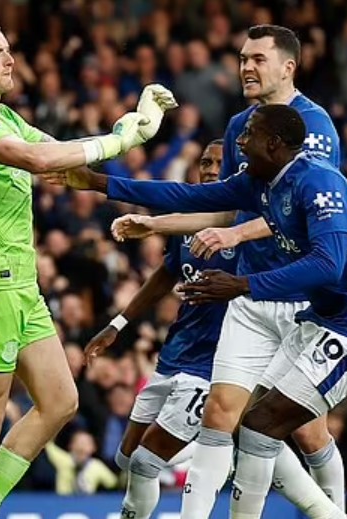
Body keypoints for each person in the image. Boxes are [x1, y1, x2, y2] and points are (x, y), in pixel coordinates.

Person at [50, 25, 347, 519]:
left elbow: (291, 212)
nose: (246, 66)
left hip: (297, 292)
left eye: (257, 58)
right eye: (242, 58)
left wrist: (234, 236)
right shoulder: (238, 128)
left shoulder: (312, 129)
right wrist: (154, 222)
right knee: (224, 419)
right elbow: (222, 204)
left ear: (287, 67)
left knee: (302, 429)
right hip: (249, 301)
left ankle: (333, 510)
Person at [0, 18, 177, 519]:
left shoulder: (6, 118)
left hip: (20, 285)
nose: (9, 59)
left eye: (9, 49)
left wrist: (129, 128)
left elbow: (60, 159)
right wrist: (122, 140)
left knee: (60, 399)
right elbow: (34, 158)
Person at [85, 141, 235, 519]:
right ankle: (215, 447)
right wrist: (118, 323)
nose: (211, 168)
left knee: (145, 463)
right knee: (125, 457)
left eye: (221, 162)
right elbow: (166, 274)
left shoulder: (245, 223)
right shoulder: (185, 220)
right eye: (205, 162)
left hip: (211, 363)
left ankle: (217, 449)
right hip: (174, 355)